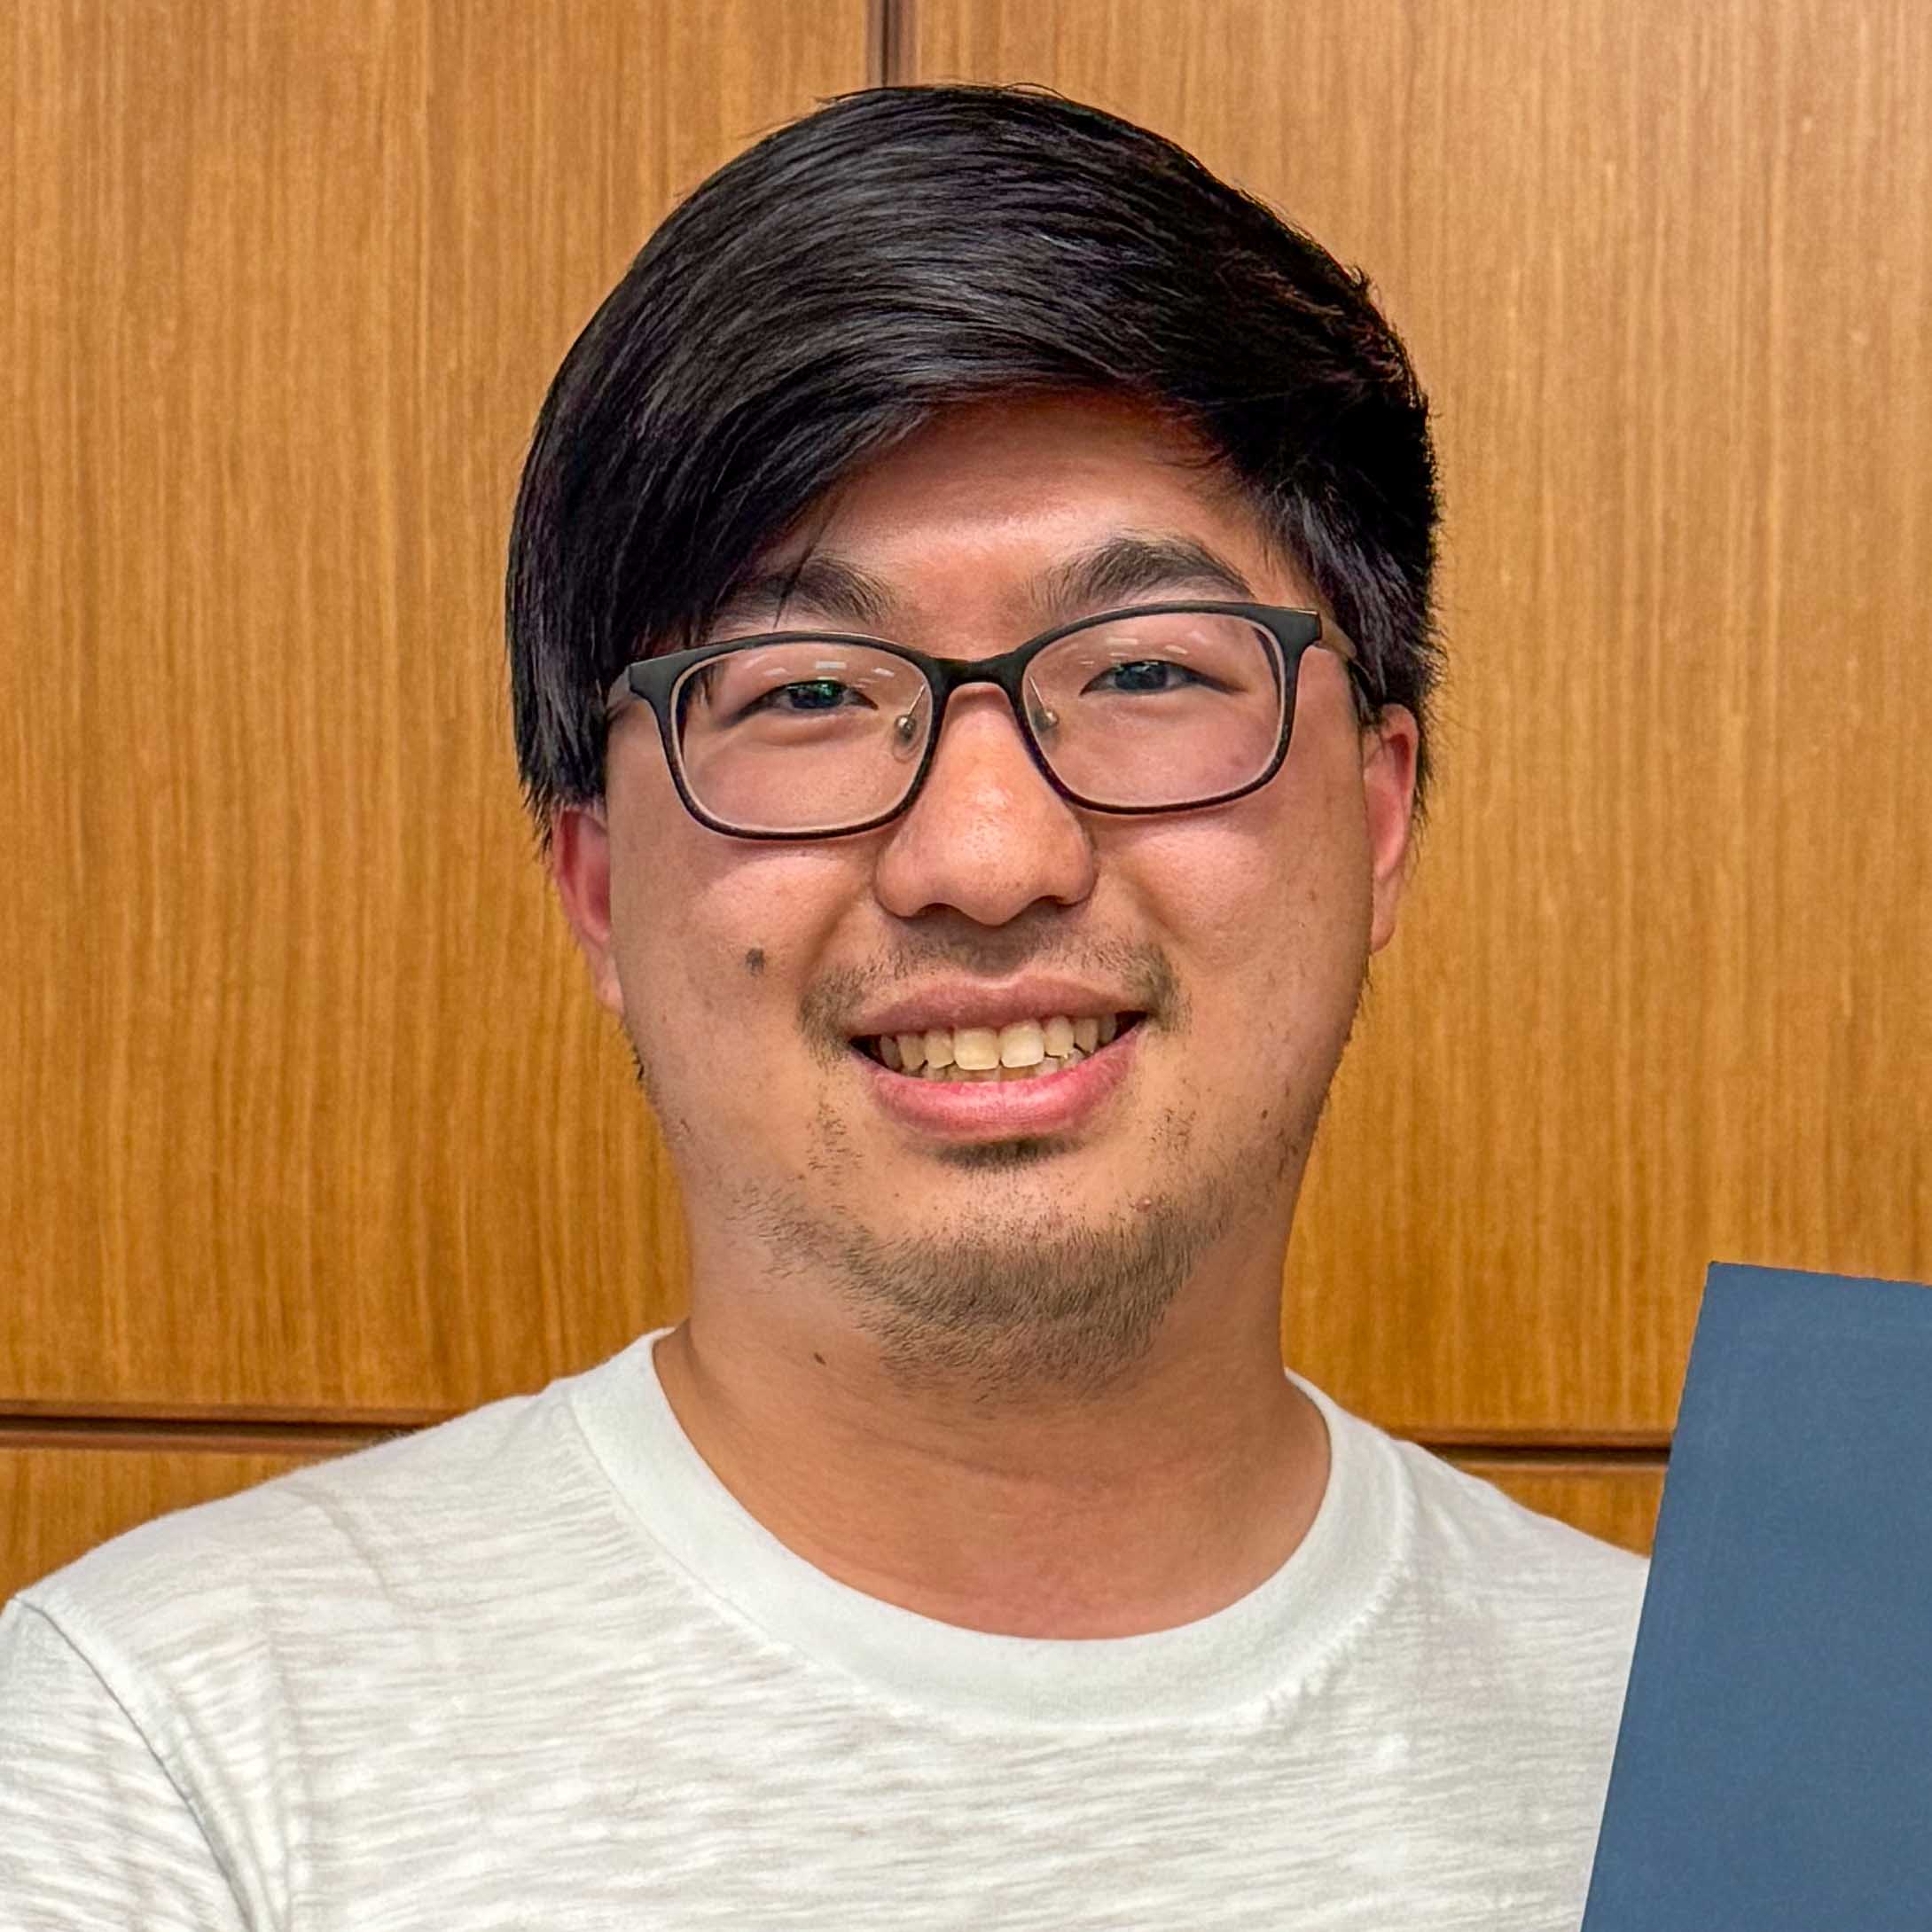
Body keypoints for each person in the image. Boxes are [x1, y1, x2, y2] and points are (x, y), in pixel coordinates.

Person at [0, 84, 1644, 1927]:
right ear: (598, 883)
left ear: (1376, 811)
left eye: (1147, 668)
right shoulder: (162, 1764)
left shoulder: (1729, 1754)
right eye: (801, 695)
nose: (989, 850)